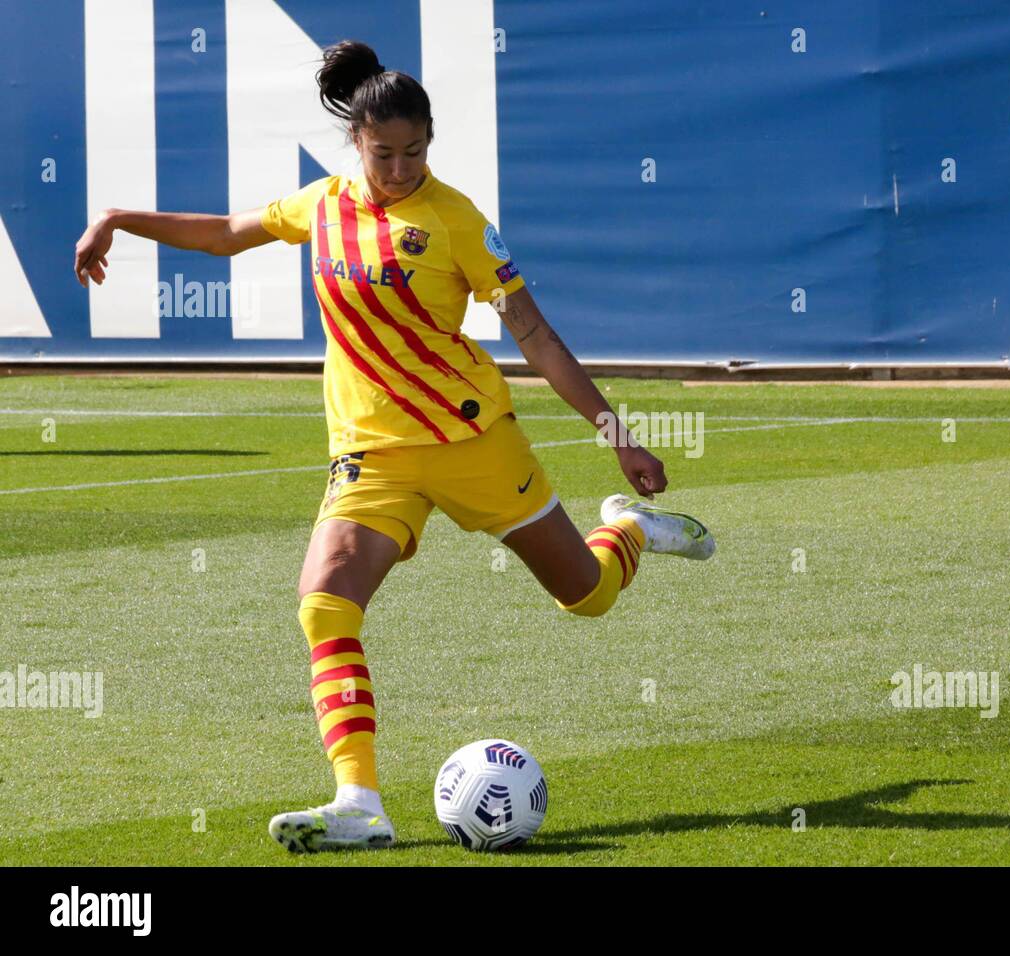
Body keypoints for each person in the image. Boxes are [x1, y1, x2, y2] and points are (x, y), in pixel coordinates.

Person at [72, 39, 715, 853]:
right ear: (355, 142)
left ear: (430, 141)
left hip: (473, 441)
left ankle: (627, 528)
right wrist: (117, 219)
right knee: (325, 602)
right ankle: (360, 800)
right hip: (371, 454)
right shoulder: (322, 205)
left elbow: (538, 337)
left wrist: (619, 438)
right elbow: (225, 235)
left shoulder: (458, 224)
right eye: (384, 153)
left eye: (415, 151)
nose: (401, 167)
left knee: (584, 595)